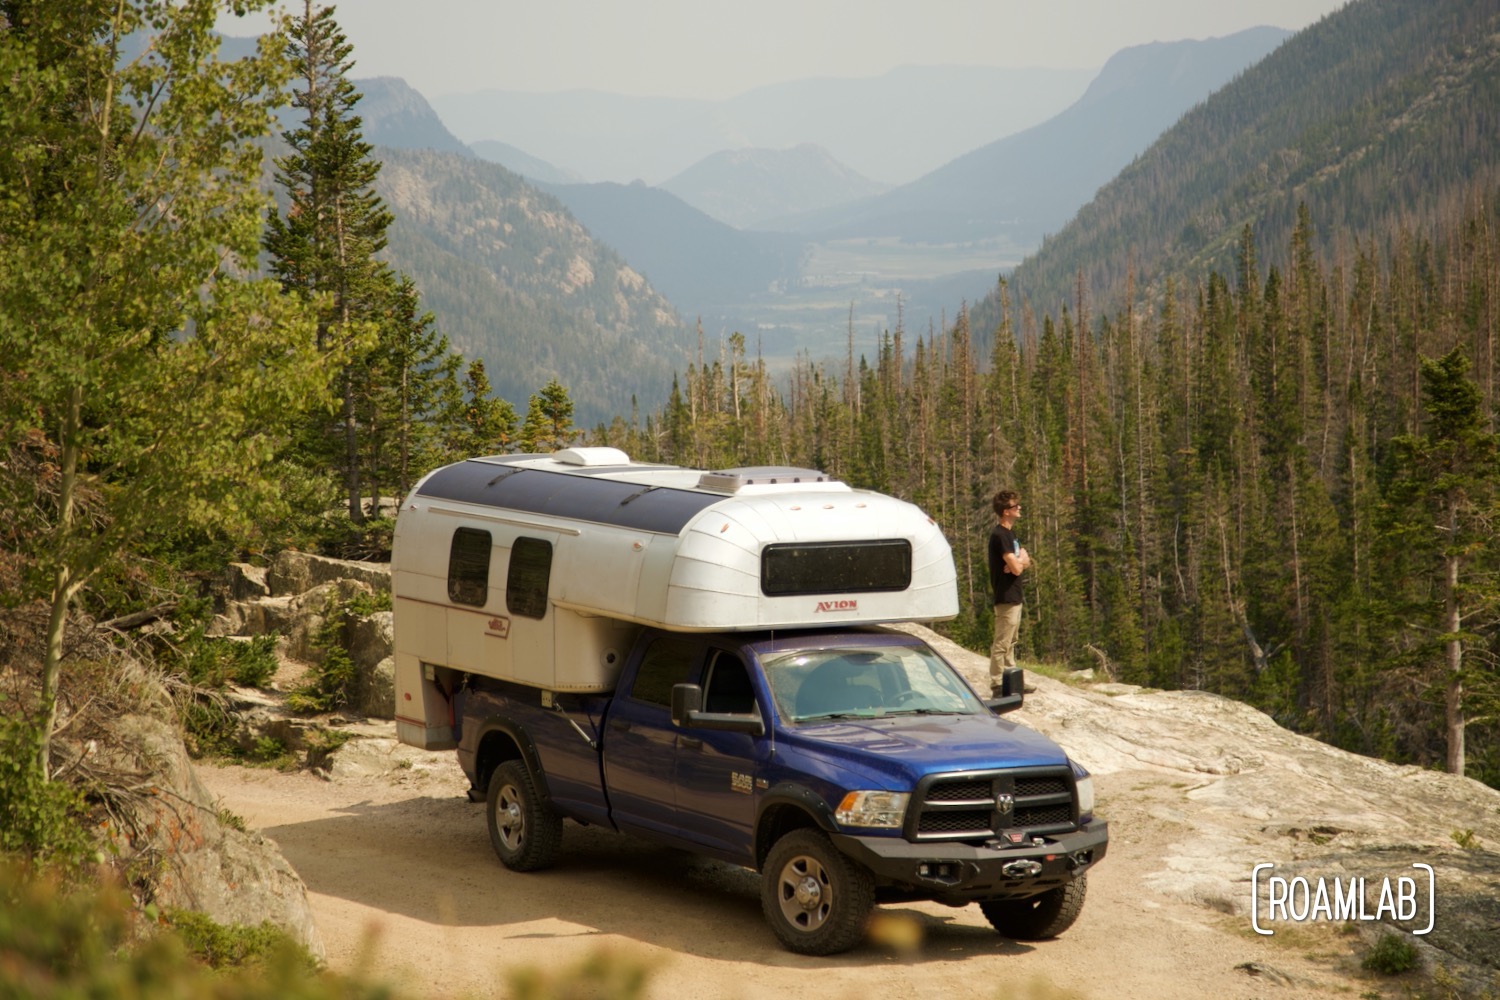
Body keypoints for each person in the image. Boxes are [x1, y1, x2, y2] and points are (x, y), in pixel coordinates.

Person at [987, 489, 1031, 695]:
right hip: (1005, 596)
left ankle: (1013, 680)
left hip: (1015, 596)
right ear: (1006, 511)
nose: (1019, 508)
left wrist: (1019, 561)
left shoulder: (1011, 535)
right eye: (1015, 506)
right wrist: (1018, 563)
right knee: (1002, 642)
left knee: (1011, 642)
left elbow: (1025, 561)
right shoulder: (1000, 535)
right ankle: (996, 683)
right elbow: (1016, 568)